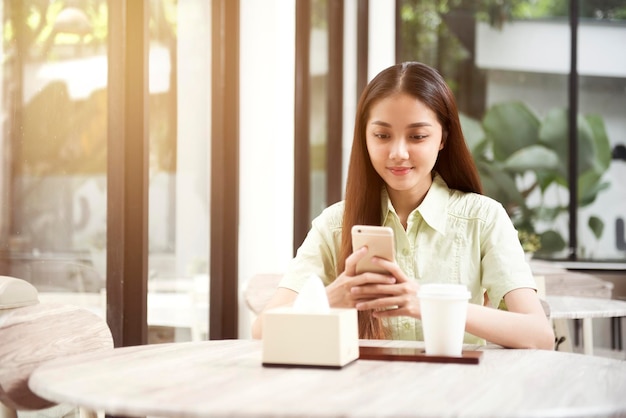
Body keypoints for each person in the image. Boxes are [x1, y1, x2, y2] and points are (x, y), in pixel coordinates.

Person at [252, 61, 555, 350]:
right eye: (382, 135)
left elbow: (539, 336)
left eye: (417, 136)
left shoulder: (484, 218)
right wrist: (333, 297)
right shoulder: (334, 224)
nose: (398, 152)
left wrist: (428, 304)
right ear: (365, 138)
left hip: (456, 398)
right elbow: (262, 331)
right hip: (361, 398)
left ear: (442, 138)